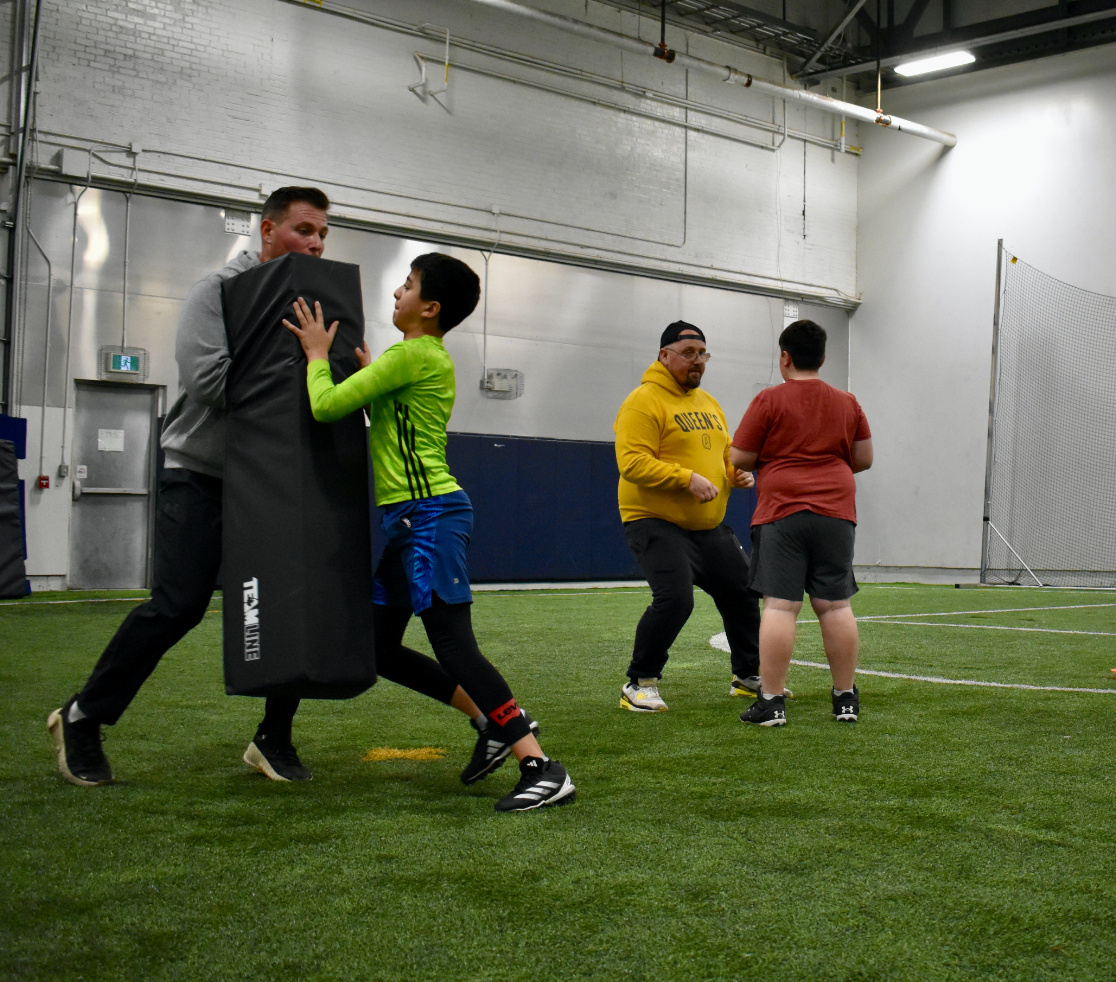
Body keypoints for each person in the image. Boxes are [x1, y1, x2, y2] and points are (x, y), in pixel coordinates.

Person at [49, 187, 333, 787]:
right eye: (304, 230)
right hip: (200, 473)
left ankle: (273, 736)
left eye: (322, 235)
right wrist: (308, 368)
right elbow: (211, 384)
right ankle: (82, 717)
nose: (315, 244)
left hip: (274, 482)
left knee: (290, 607)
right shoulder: (218, 291)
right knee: (178, 606)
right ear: (267, 230)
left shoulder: (315, 307)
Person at [282, 253, 575, 810]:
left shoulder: (412, 355)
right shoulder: (420, 357)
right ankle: (490, 722)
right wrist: (374, 377)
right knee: (378, 647)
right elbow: (388, 425)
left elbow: (325, 406)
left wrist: (317, 355)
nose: (397, 292)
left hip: (429, 517)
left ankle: (541, 766)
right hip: (409, 522)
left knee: (454, 645)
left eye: (408, 285)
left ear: (430, 307)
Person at [613, 321, 769, 712]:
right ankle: (639, 683)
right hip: (654, 520)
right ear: (664, 355)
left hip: (707, 526)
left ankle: (747, 676)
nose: (697, 361)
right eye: (688, 354)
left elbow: (724, 451)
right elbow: (631, 462)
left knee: (743, 592)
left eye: (702, 354)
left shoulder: (709, 403)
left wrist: (735, 473)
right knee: (675, 599)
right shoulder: (643, 401)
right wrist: (686, 479)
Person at [729, 320, 872, 727]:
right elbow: (863, 458)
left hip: (782, 510)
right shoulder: (848, 402)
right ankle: (845, 699)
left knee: (780, 605)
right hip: (836, 511)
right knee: (835, 605)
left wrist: (775, 457)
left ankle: (771, 702)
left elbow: (739, 457)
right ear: (822, 358)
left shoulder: (769, 400)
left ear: (784, 358)